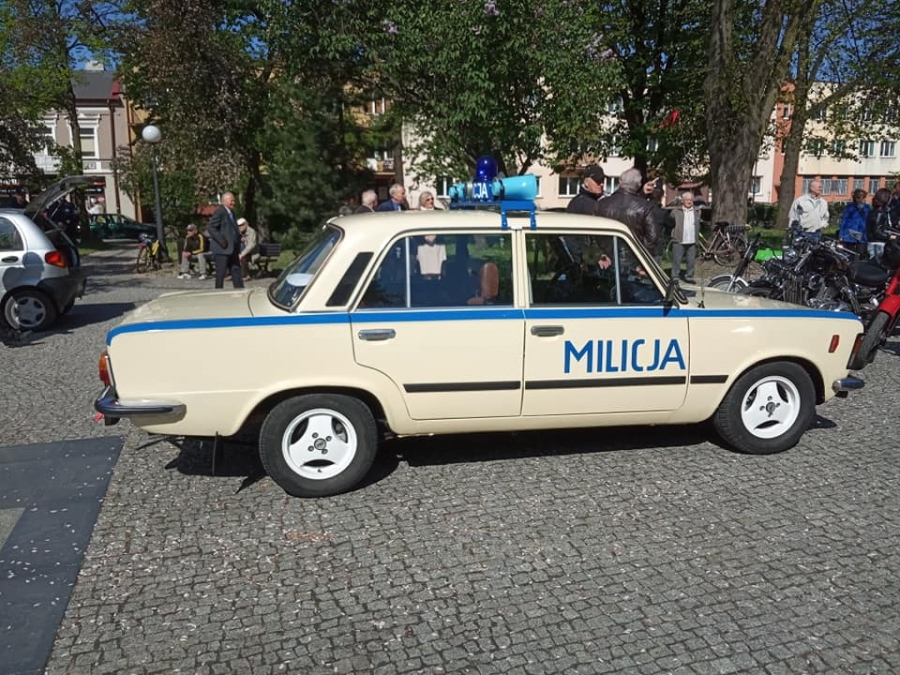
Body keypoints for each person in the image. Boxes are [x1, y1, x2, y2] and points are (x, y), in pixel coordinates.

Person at [594, 167, 665, 257]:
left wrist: (599, 254)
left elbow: (594, 233)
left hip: (607, 257)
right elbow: (652, 237)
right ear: (639, 185)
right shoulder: (645, 207)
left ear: (620, 182)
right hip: (635, 257)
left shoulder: (601, 204)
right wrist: (643, 256)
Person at [207, 191, 244, 289]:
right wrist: (221, 240)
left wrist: (239, 237)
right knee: (221, 273)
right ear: (224, 201)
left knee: (236, 270)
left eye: (234, 201)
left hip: (232, 248)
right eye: (231, 201)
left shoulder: (231, 212)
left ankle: (240, 290)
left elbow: (232, 228)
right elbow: (211, 227)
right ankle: (218, 291)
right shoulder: (220, 211)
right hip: (222, 249)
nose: (233, 203)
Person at [670, 191, 699, 283]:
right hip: (679, 239)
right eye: (687, 200)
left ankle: (689, 277)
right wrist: (673, 234)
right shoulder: (676, 211)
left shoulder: (697, 211)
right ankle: (675, 276)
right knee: (677, 260)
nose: (689, 202)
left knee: (691, 261)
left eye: (691, 200)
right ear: (683, 201)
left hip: (692, 240)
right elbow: (669, 223)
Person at [839, 189, 870, 257]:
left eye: (863, 197)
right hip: (851, 234)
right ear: (855, 198)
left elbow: (868, 221)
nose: (861, 199)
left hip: (862, 234)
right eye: (859, 197)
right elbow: (844, 221)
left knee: (861, 254)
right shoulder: (850, 207)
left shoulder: (867, 208)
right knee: (850, 254)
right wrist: (841, 235)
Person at [866, 188, 894, 261]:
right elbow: (877, 231)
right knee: (876, 265)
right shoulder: (879, 213)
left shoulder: (882, 211)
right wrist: (890, 237)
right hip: (877, 244)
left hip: (878, 243)